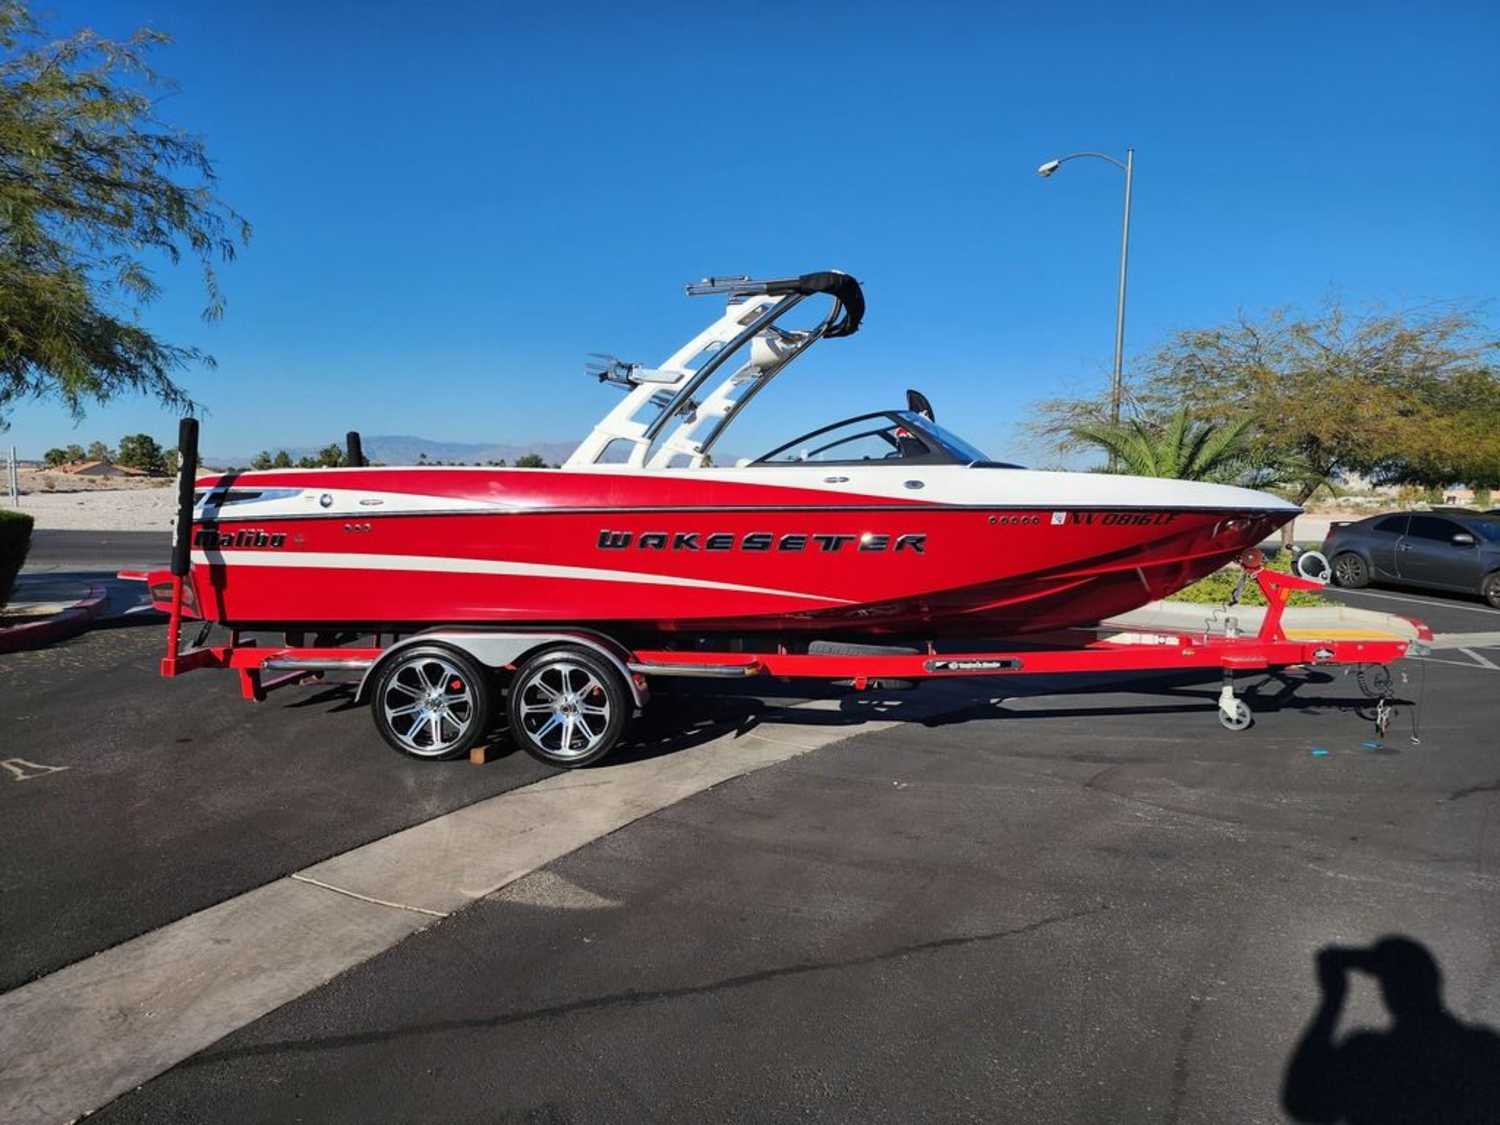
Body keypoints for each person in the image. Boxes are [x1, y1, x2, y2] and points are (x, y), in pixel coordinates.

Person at [1282, 936, 1500, 1124]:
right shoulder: (1483, 1049)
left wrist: (1332, 1000)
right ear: (1433, 981)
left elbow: (1304, 1103)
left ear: (1387, 992)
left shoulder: (1368, 1056)